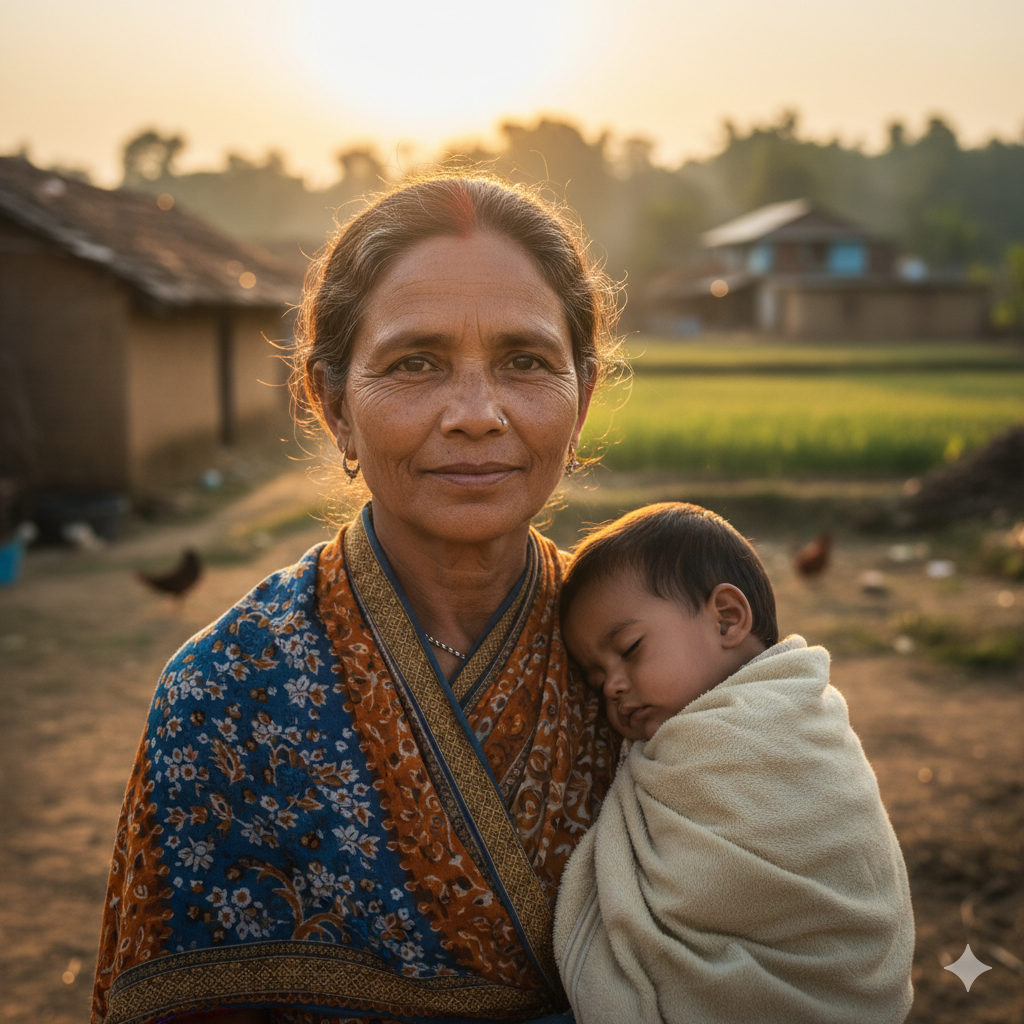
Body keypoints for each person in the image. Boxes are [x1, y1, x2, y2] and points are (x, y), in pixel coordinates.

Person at [91, 175, 622, 1024]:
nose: (478, 414)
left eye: (526, 361)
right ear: (331, 404)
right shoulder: (225, 697)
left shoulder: (654, 669)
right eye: (416, 363)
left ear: (583, 395)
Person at [553, 503, 915, 1024]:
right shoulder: (680, 740)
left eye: (629, 649)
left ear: (727, 618)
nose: (611, 685)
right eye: (594, 678)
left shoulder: (790, 724)